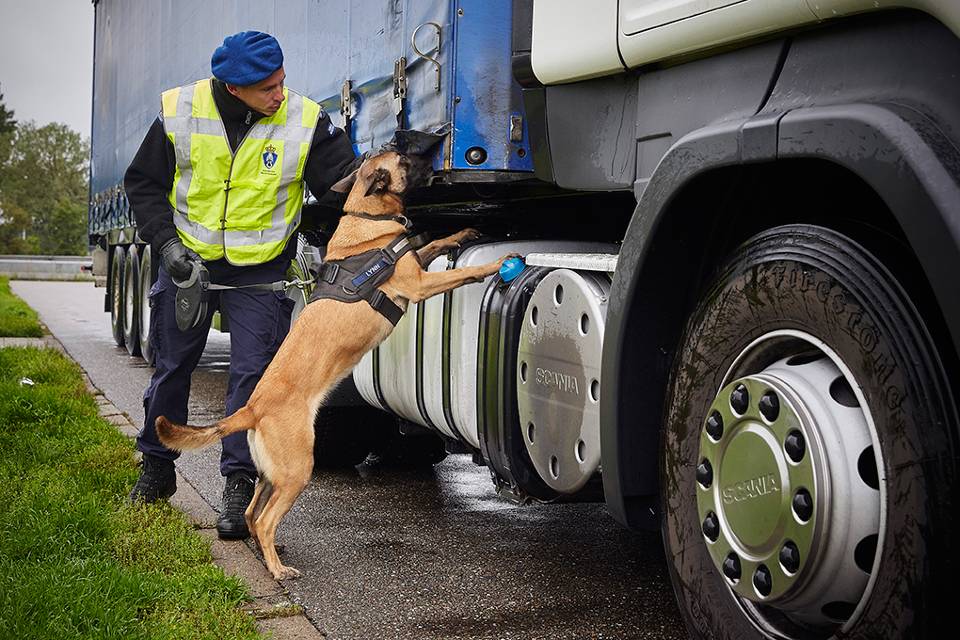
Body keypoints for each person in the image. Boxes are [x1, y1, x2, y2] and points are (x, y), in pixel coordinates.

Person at [124, 31, 356, 540]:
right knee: (172, 368)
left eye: (282, 82)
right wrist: (168, 246)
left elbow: (342, 182)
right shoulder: (181, 111)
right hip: (188, 262)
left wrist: (368, 177)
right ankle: (157, 467)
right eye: (268, 88)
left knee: (252, 378)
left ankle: (237, 484)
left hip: (260, 270)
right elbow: (143, 184)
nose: (280, 95)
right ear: (233, 88)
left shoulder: (305, 119)